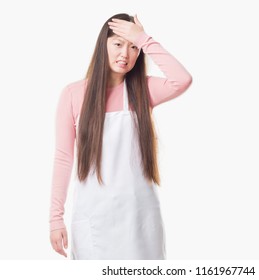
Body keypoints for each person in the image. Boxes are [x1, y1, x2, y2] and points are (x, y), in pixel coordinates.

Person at [49, 13, 192, 260]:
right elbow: (63, 158)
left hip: (140, 219)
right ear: (102, 45)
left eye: (133, 47)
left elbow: (182, 79)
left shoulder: (144, 91)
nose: (125, 53)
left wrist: (144, 38)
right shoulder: (73, 94)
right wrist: (55, 218)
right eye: (118, 43)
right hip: (94, 220)